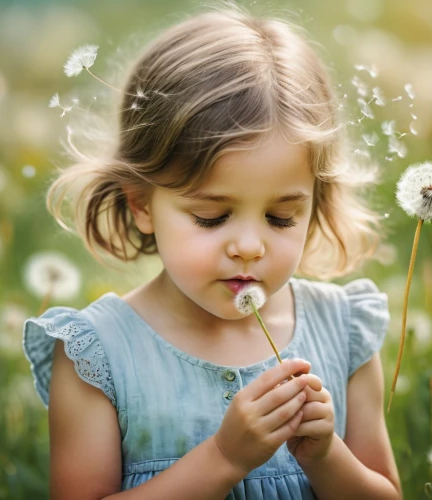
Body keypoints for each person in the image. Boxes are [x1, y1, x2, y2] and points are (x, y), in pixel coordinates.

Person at [23, 4, 402, 499]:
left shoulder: (342, 330)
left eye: (281, 217)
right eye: (211, 216)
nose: (248, 246)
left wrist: (328, 455)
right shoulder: (99, 355)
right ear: (141, 203)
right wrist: (224, 458)